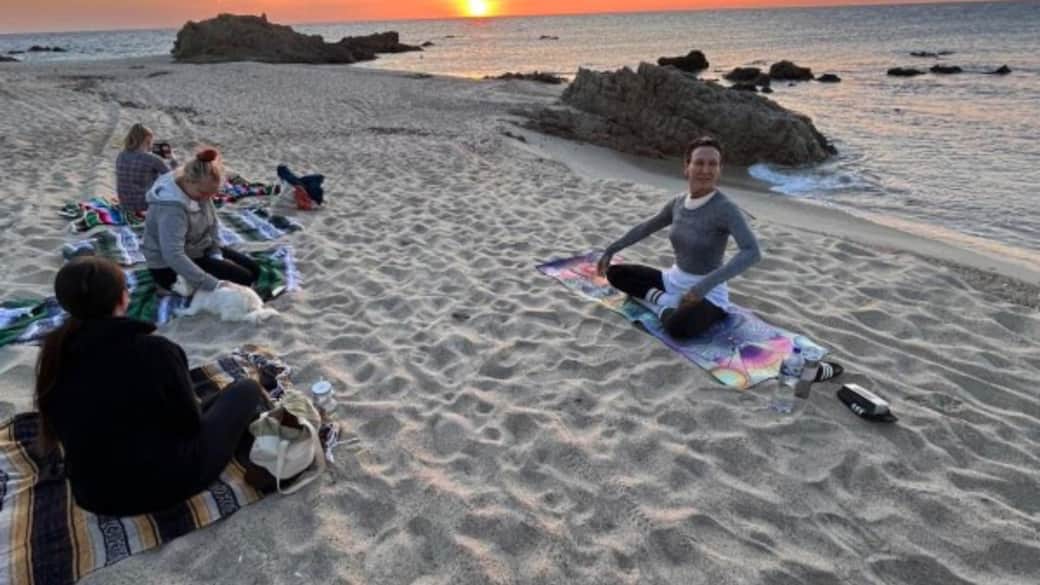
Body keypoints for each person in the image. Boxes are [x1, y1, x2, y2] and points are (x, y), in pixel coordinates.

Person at [34, 257, 266, 516]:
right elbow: (190, 425)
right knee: (246, 389)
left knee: (210, 399)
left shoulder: (55, 356)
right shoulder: (156, 351)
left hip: (94, 496)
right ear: (122, 298)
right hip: (165, 486)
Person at [596, 136, 761, 340]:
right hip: (672, 280)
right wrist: (612, 249)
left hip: (708, 293)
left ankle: (658, 305)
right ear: (687, 166)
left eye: (713, 164)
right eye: (699, 163)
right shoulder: (678, 203)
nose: (706, 170)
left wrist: (702, 288)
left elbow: (752, 252)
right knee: (615, 274)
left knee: (678, 328)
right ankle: (665, 302)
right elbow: (646, 227)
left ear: (720, 169)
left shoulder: (726, 209)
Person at [141, 147, 260, 294]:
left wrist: (217, 255)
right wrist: (212, 284)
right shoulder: (171, 209)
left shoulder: (201, 191)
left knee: (255, 270)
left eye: (211, 195)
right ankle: (166, 286)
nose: (205, 199)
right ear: (188, 181)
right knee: (244, 278)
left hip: (198, 249)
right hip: (168, 266)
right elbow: (173, 255)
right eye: (203, 193)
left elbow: (213, 225)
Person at [115, 123, 177, 214]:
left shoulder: (121, 155)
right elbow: (173, 178)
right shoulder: (152, 159)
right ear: (147, 140)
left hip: (124, 205)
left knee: (151, 173)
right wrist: (173, 159)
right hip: (144, 206)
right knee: (163, 177)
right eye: (151, 141)